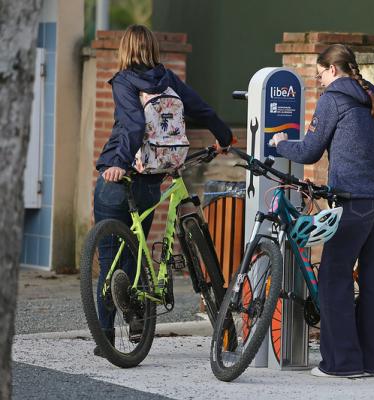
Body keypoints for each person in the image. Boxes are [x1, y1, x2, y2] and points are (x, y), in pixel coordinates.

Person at [93, 25, 232, 356]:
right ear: (153, 49)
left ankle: (106, 336)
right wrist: (224, 136)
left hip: (120, 175)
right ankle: (137, 310)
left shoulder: (125, 80)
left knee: (109, 255)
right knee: (136, 249)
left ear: (125, 50)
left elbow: (133, 125)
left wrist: (120, 164)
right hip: (153, 179)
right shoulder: (168, 78)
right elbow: (201, 110)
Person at [271, 44, 374, 378]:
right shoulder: (372, 96)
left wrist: (280, 143)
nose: (320, 82)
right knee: (371, 282)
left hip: (354, 201)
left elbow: (311, 150)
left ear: (333, 69)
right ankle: (368, 363)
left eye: (321, 74)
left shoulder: (333, 99)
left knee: (333, 276)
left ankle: (341, 364)